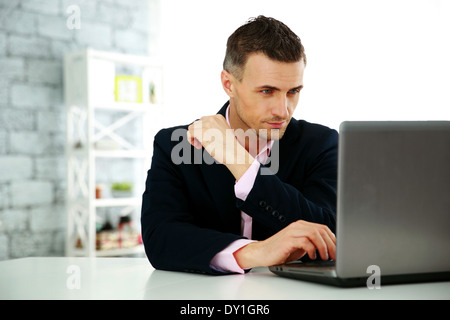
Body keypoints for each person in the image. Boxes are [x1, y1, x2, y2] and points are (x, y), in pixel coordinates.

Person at [141, 16, 338, 275]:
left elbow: (327, 233)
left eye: (293, 91)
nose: (283, 110)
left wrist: (239, 162)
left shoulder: (321, 144)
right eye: (267, 91)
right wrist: (255, 252)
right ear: (228, 84)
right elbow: (162, 239)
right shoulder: (174, 145)